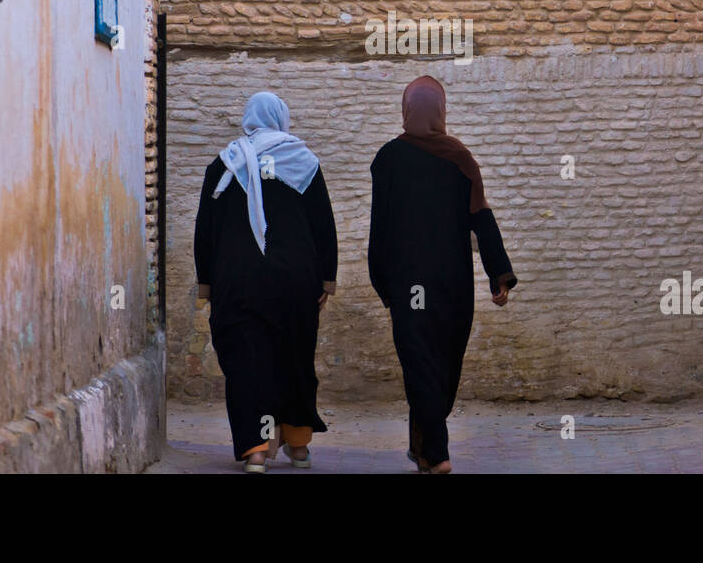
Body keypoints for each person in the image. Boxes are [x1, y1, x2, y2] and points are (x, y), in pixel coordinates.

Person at [368, 75, 517, 473]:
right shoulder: (460, 158)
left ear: (407, 110)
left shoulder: (389, 158)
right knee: (438, 364)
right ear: (441, 111)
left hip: (407, 282)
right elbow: (482, 218)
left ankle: (426, 446)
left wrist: (381, 280)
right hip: (452, 283)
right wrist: (498, 274)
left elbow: (378, 226)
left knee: (422, 363)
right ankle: (436, 453)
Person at [193, 92, 338, 472]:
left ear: (249, 119)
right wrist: (326, 279)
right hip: (294, 281)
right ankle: (299, 446)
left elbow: (204, 231)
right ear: (281, 119)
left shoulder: (225, 165)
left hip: (237, 281)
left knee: (247, 360)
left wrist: (207, 283)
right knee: (293, 355)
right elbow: (323, 225)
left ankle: (256, 450)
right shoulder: (304, 162)